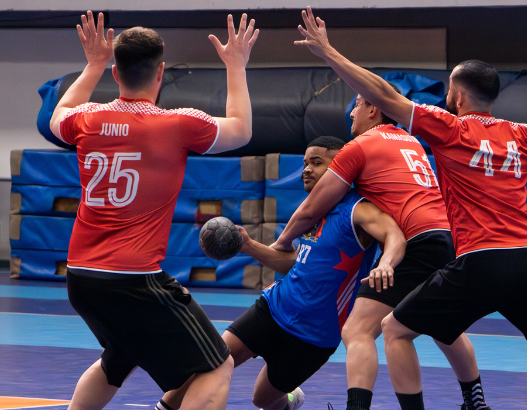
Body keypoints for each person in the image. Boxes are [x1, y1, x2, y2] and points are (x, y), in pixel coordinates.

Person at [294, 6, 527, 410]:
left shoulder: (449, 128)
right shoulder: (522, 133)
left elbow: (384, 96)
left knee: (394, 331)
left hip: (480, 261)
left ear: (455, 96)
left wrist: (330, 53)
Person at [48, 11, 259, 410]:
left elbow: (56, 115)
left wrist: (91, 65)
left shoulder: (85, 119)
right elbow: (242, 129)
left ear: (115, 71)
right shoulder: (177, 124)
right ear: (161, 72)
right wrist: (236, 65)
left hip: (81, 276)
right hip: (133, 279)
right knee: (218, 366)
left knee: (120, 356)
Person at [273, 88, 489, 410]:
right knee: (442, 325)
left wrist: (282, 243)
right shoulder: (412, 141)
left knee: (360, 330)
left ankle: (358, 407)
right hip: (448, 237)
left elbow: (311, 208)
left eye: (357, 105)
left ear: (373, 108)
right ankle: (476, 402)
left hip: (415, 240)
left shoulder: (360, 145)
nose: (351, 114)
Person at [159, 136, 407, 410]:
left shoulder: (357, 209)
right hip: (273, 308)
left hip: (313, 337)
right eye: (304, 163)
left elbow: (394, 234)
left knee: (262, 400)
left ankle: (290, 399)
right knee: (209, 362)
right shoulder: (313, 212)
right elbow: (297, 263)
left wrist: (386, 263)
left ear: (341, 168)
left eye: (317, 162)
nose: (307, 169)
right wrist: (250, 246)